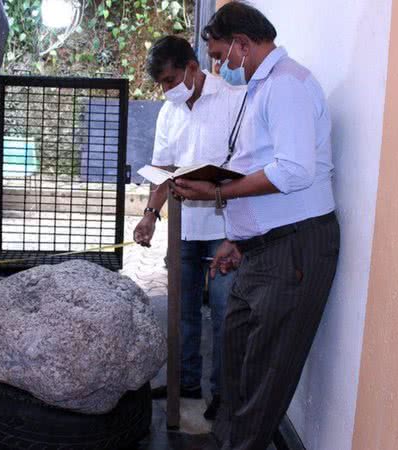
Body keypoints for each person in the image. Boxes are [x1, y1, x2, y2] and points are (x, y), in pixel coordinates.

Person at [172, 3, 340, 449]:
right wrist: (237, 238)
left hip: (295, 250)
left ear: (243, 45)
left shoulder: (286, 86)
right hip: (263, 248)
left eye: (222, 56)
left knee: (265, 377)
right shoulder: (260, 87)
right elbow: (256, 163)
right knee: (237, 364)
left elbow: (293, 171)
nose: (220, 66)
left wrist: (219, 195)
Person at [133, 36, 246, 420]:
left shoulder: (233, 101)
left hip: (223, 226)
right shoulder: (170, 111)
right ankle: (186, 382)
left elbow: (246, 167)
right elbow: (163, 170)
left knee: (223, 309)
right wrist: (150, 214)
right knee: (182, 312)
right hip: (183, 226)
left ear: (192, 68)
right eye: (161, 84)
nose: (167, 90)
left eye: (170, 80)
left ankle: (223, 395)